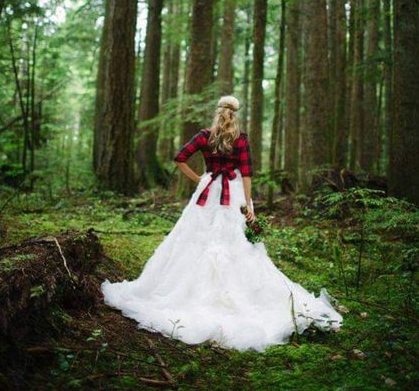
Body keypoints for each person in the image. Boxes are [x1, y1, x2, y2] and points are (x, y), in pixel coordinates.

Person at [101, 95, 343, 352]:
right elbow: (247, 173)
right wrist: (249, 206)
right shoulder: (240, 139)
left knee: (192, 239)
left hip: (208, 190)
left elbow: (179, 157)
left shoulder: (205, 135)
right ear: (234, 115)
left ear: (217, 113)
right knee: (235, 244)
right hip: (233, 193)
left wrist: (200, 180)